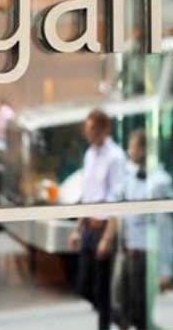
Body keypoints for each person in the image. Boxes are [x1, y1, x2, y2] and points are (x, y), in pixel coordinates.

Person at [109, 128, 173, 329]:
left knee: (140, 315)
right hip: (128, 253)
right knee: (120, 309)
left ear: (144, 150)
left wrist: (165, 269)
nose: (129, 152)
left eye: (133, 147)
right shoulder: (130, 177)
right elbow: (114, 199)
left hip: (147, 256)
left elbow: (166, 228)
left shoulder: (160, 182)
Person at [68, 109, 126, 330]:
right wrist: (77, 229)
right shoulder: (89, 154)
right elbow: (88, 194)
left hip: (104, 227)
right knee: (82, 285)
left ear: (103, 130)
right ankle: (119, 318)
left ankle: (108, 323)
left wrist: (107, 238)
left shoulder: (115, 156)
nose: (87, 133)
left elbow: (116, 200)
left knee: (103, 288)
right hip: (89, 226)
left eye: (90, 129)